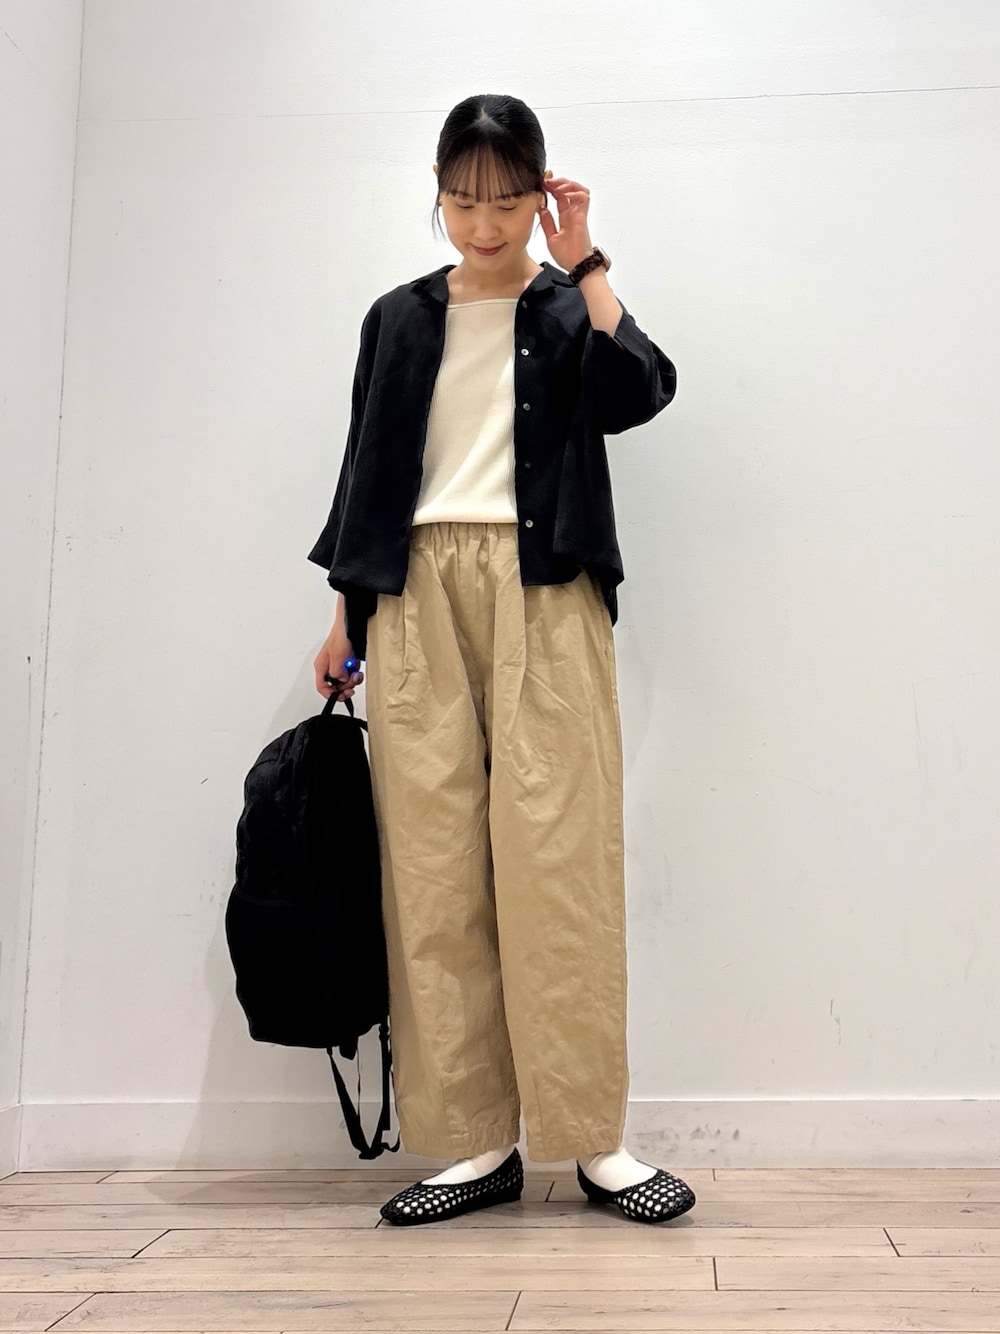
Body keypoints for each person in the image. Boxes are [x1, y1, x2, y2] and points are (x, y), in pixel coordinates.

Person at [309, 94, 695, 1226]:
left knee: (558, 859)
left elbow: (641, 392)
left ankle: (594, 1141)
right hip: (414, 593)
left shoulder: (568, 307)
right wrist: (345, 614)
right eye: (463, 200)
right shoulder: (396, 317)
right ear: (436, 194)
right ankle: (476, 1142)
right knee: (431, 866)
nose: (484, 224)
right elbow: (365, 466)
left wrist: (589, 262)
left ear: (540, 195)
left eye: (507, 200)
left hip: (545, 589)